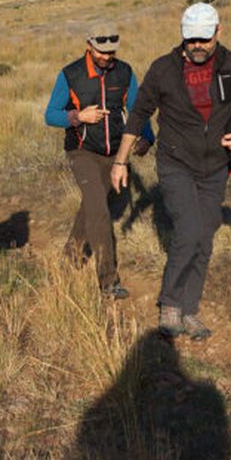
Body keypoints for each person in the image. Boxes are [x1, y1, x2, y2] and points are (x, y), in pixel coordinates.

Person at [111, 3, 231, 340]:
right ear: (182, 35)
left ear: (218, 32)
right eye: (191, 39)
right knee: (189, 232)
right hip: (175, 162)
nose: (198, 46)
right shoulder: (163, 69)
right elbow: (138, 115)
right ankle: (171, 305)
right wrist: (121, 161)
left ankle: (190, 310)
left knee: (204, 238)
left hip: (216, 165)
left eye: (204, 39)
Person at [43, 25, 152, 299]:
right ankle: (108, 281)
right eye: (101, 52)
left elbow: (138, 110)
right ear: (89, 46)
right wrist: (79, 116)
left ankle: (68, 260)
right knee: (100, 210)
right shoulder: (71, 74)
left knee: (90, 209)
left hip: (115, 154)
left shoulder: (125, 72)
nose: (107, 57)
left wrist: (146, 137)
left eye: (111, 52)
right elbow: (50, 115)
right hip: (82, 151)